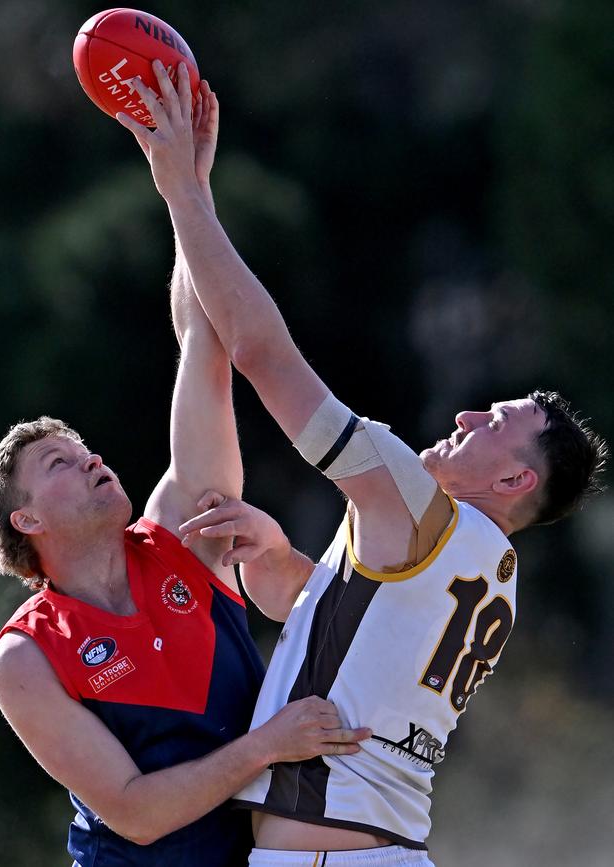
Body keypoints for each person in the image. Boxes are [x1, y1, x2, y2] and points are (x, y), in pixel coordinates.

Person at [116, 62, 609, 867]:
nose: (468, 414)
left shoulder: (415, 503)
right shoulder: (491, 567)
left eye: (497, 421)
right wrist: (284, 565)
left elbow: (259, 352)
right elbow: (345, 629)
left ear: (516, 479)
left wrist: (182, 191)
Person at [0, 79, 370, 867]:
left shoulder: (182, 532)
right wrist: (265, 746)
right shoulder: (24, 658)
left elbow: (205, 345)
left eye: (85, 448)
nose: (92, 458)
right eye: (60, 462)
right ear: (27, 521)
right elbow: (137, 813)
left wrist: (188, 190)